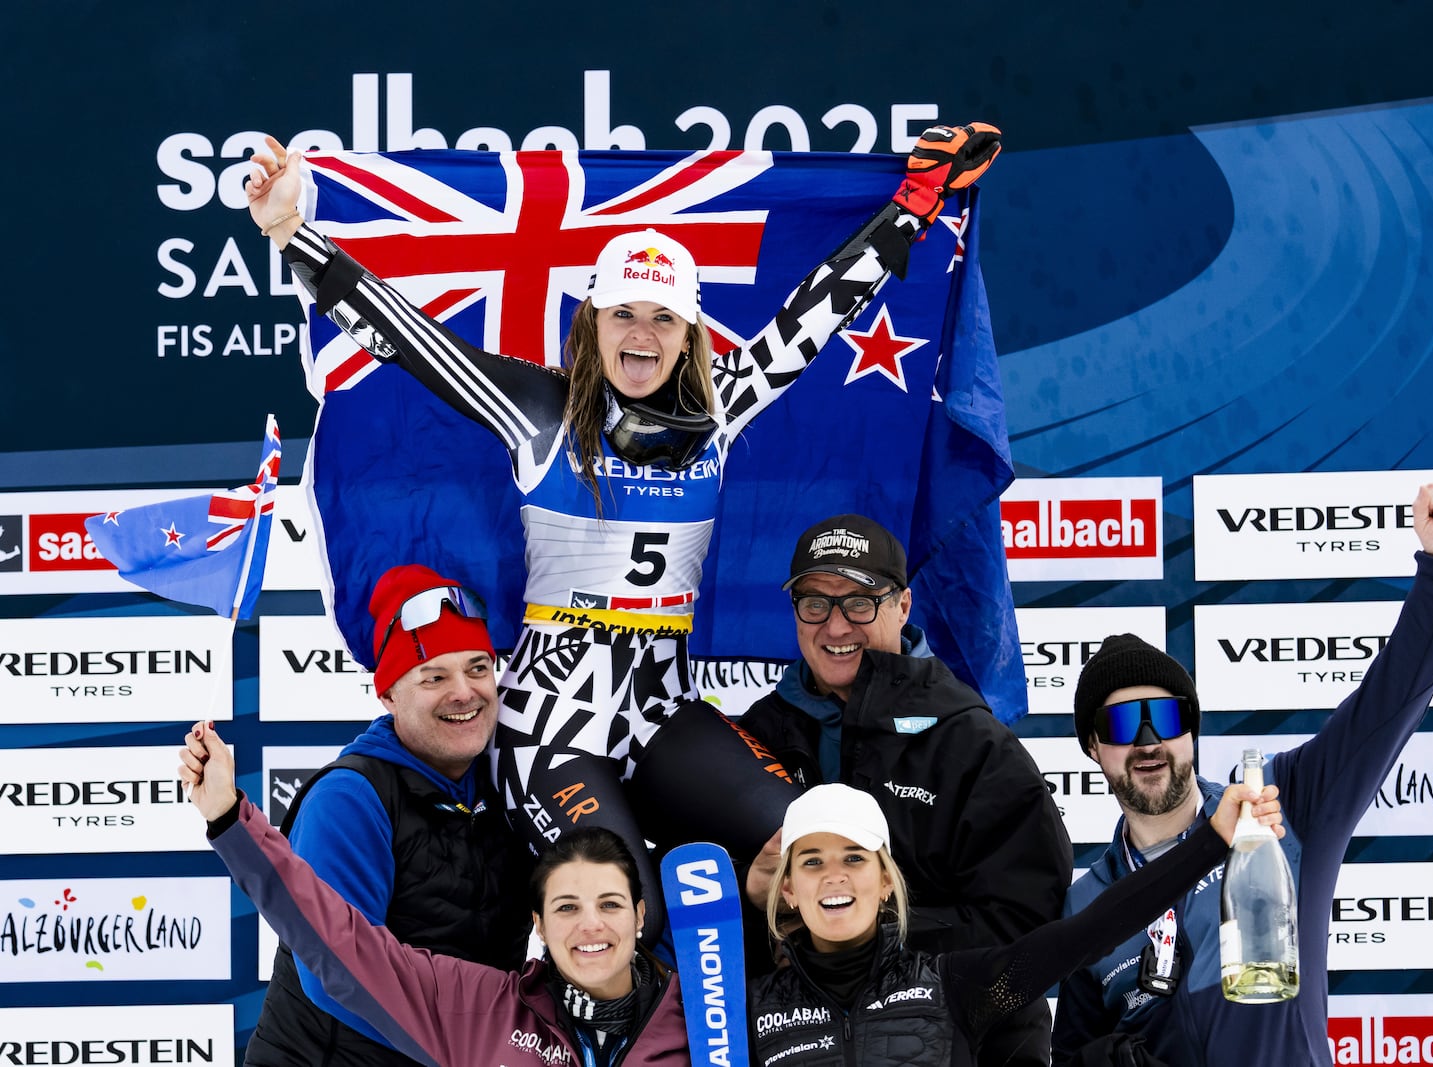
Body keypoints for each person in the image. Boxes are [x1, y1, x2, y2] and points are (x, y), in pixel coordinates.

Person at [244, 124, 1003, 940]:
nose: (641, 334)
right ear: (594, 323)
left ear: (688, 336)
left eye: (662, 319)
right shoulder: (535, 411)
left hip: (663, 713)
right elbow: (405, 339)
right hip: (546, 731)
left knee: (813, 848)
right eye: (624, 315)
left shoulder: (720, 414)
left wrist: (917, 202)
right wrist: (293, 234)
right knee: (624, 918)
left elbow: (817, 311)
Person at [1051, 482, 1433, 1067]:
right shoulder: (1084, 907)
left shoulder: (1280, 804)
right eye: (1124, 725)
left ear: (1192, 732)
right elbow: (1070, 1053)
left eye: (1167, 716)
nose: (1149, 742)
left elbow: (1388, 705)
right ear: (1095, 747)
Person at [738, 512, 1073, 1061]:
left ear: (904, 606)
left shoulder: (971, 741)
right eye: (816, 602)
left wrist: (874, 936)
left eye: (859, 602)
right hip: (806, 1042)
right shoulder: (757, 735)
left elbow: (1024, 918)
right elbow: (702, 917)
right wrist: (755, 898)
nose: (837, 626)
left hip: (971, 1046)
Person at [180, 720, 688, 1067]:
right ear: (538, 925)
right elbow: (342, 946)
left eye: (611, 904)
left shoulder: (699, 1011)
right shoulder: (485, 1011)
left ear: (642, 914)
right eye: (566, 907)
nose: (590, 925)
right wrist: (229, 819)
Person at [747, 780, 1283, 1066]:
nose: (834, 876)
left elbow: (1093, 929)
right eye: (812, 861)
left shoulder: (954, 988)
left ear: (886, 881)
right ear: (788, 889)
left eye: (855, 857)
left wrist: (1212, 841)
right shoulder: (747, 1011)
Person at [243, 563, 536, 1066]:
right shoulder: (351, 800)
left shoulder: (513, 781)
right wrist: (491, 1045)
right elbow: (339, 979)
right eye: (434, 676)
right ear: (388, 694)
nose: (464, 692)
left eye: (477, 668)